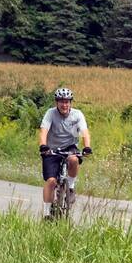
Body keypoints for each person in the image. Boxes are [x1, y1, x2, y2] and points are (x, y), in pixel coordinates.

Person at [39, 86, 91, 218]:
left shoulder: (77, 114)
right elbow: (44, 130)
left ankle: (71, 187)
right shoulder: (50, 113)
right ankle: (46, 214)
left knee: (74, 159)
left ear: (70, 102)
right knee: (51, 181)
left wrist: (87, 147)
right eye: (61, 101)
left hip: (69, 147)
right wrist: (43, 146)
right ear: (56, 102)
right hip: (51, 149)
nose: (64, 104)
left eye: (67, 101)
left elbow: (84, 132)